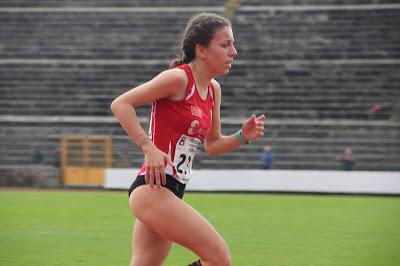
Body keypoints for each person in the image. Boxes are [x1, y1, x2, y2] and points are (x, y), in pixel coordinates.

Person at [111, 13, 265, 266]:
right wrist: (147, 147)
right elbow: (121, 104)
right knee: (218, 258)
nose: (234, 52)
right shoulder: (178, 78)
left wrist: (241, 136)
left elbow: (212, 145)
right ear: (201, 50)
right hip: (153, 190)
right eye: (225, 45)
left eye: (232, 44)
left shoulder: (213, 90)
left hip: (171, 191)